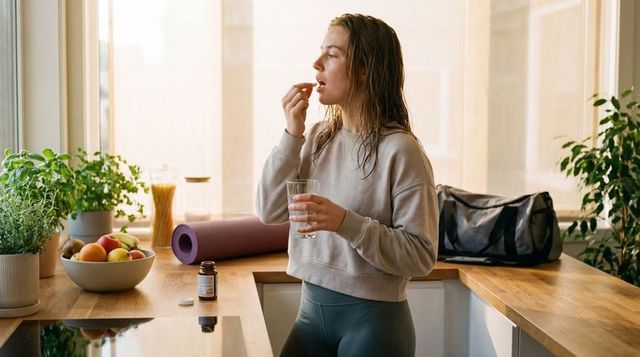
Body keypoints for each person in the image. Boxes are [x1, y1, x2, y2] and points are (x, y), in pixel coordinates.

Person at [256, 13, 438, 357]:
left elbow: (421, 255)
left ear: (364, 69)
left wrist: (346, 223)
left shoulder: (400, 150)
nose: (316, 63)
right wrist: (291, 135)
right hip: (309, 318)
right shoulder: (317, 137)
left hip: (375, 327)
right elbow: (269, 211)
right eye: (320, 52)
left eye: (333, 54)